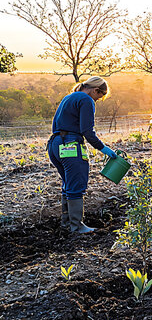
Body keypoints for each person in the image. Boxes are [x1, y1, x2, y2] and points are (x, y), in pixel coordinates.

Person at [47, 76, 118, 234]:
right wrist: (104, 149)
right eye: (99, 97)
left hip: (54, 144)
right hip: (71, 145)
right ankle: (77, 226)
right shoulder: (86, 100)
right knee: (77, 184)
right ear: (95, 90)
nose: (97, 100)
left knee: (68, 184)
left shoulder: (68, 97)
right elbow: (87, 131)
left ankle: (67, 224)